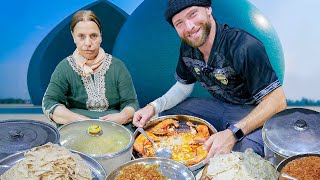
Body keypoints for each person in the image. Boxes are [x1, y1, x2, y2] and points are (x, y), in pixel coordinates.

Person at [133, 0, 286, 161]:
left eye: (193, 14)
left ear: (208, 9)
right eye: (179, 23)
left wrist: (233, 133)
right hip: (217, 107)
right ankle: (183, 147)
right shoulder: (188, 48)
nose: (189, 27)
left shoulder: (243, 45)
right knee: (164, 113)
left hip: (250, 112)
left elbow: (278, 102)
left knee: (247, 152)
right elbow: (183, 88)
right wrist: (152, 107)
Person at [42, 10, 139, 128]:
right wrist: (82, 121)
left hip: (115, 128)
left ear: (101, 36)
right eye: (81, 36)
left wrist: (122, 117)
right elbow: (49, 102)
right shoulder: (64, 68)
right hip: (75, 128)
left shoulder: (117, 66)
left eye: (93, 36)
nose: (88, 43)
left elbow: (131, 103)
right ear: (73, 37)